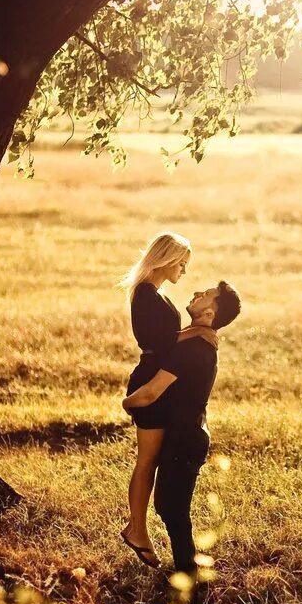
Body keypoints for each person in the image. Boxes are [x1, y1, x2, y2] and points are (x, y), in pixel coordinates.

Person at [122, 281, 242, 575]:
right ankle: (185, 571)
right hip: (188, 436)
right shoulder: (200, 340)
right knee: (169, 506)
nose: (195, 293)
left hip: (185, 440)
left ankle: (188, 576)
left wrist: (128, 403)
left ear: (210, 314)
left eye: (205, 296)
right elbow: (169, 339)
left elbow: (151, 392)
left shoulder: (194, 349)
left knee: (173, 510)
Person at [118, 231, 191, 568]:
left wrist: (200, 333)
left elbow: (169, 340)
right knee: (147, 461)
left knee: (154, 460)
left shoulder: (154, 293)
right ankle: (137, 530)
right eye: (182, 264)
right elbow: (163, 343)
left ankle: (139, 526)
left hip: (159, 382)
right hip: (151, 382)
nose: (184, 271)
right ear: (167, 259)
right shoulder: (147, 295)